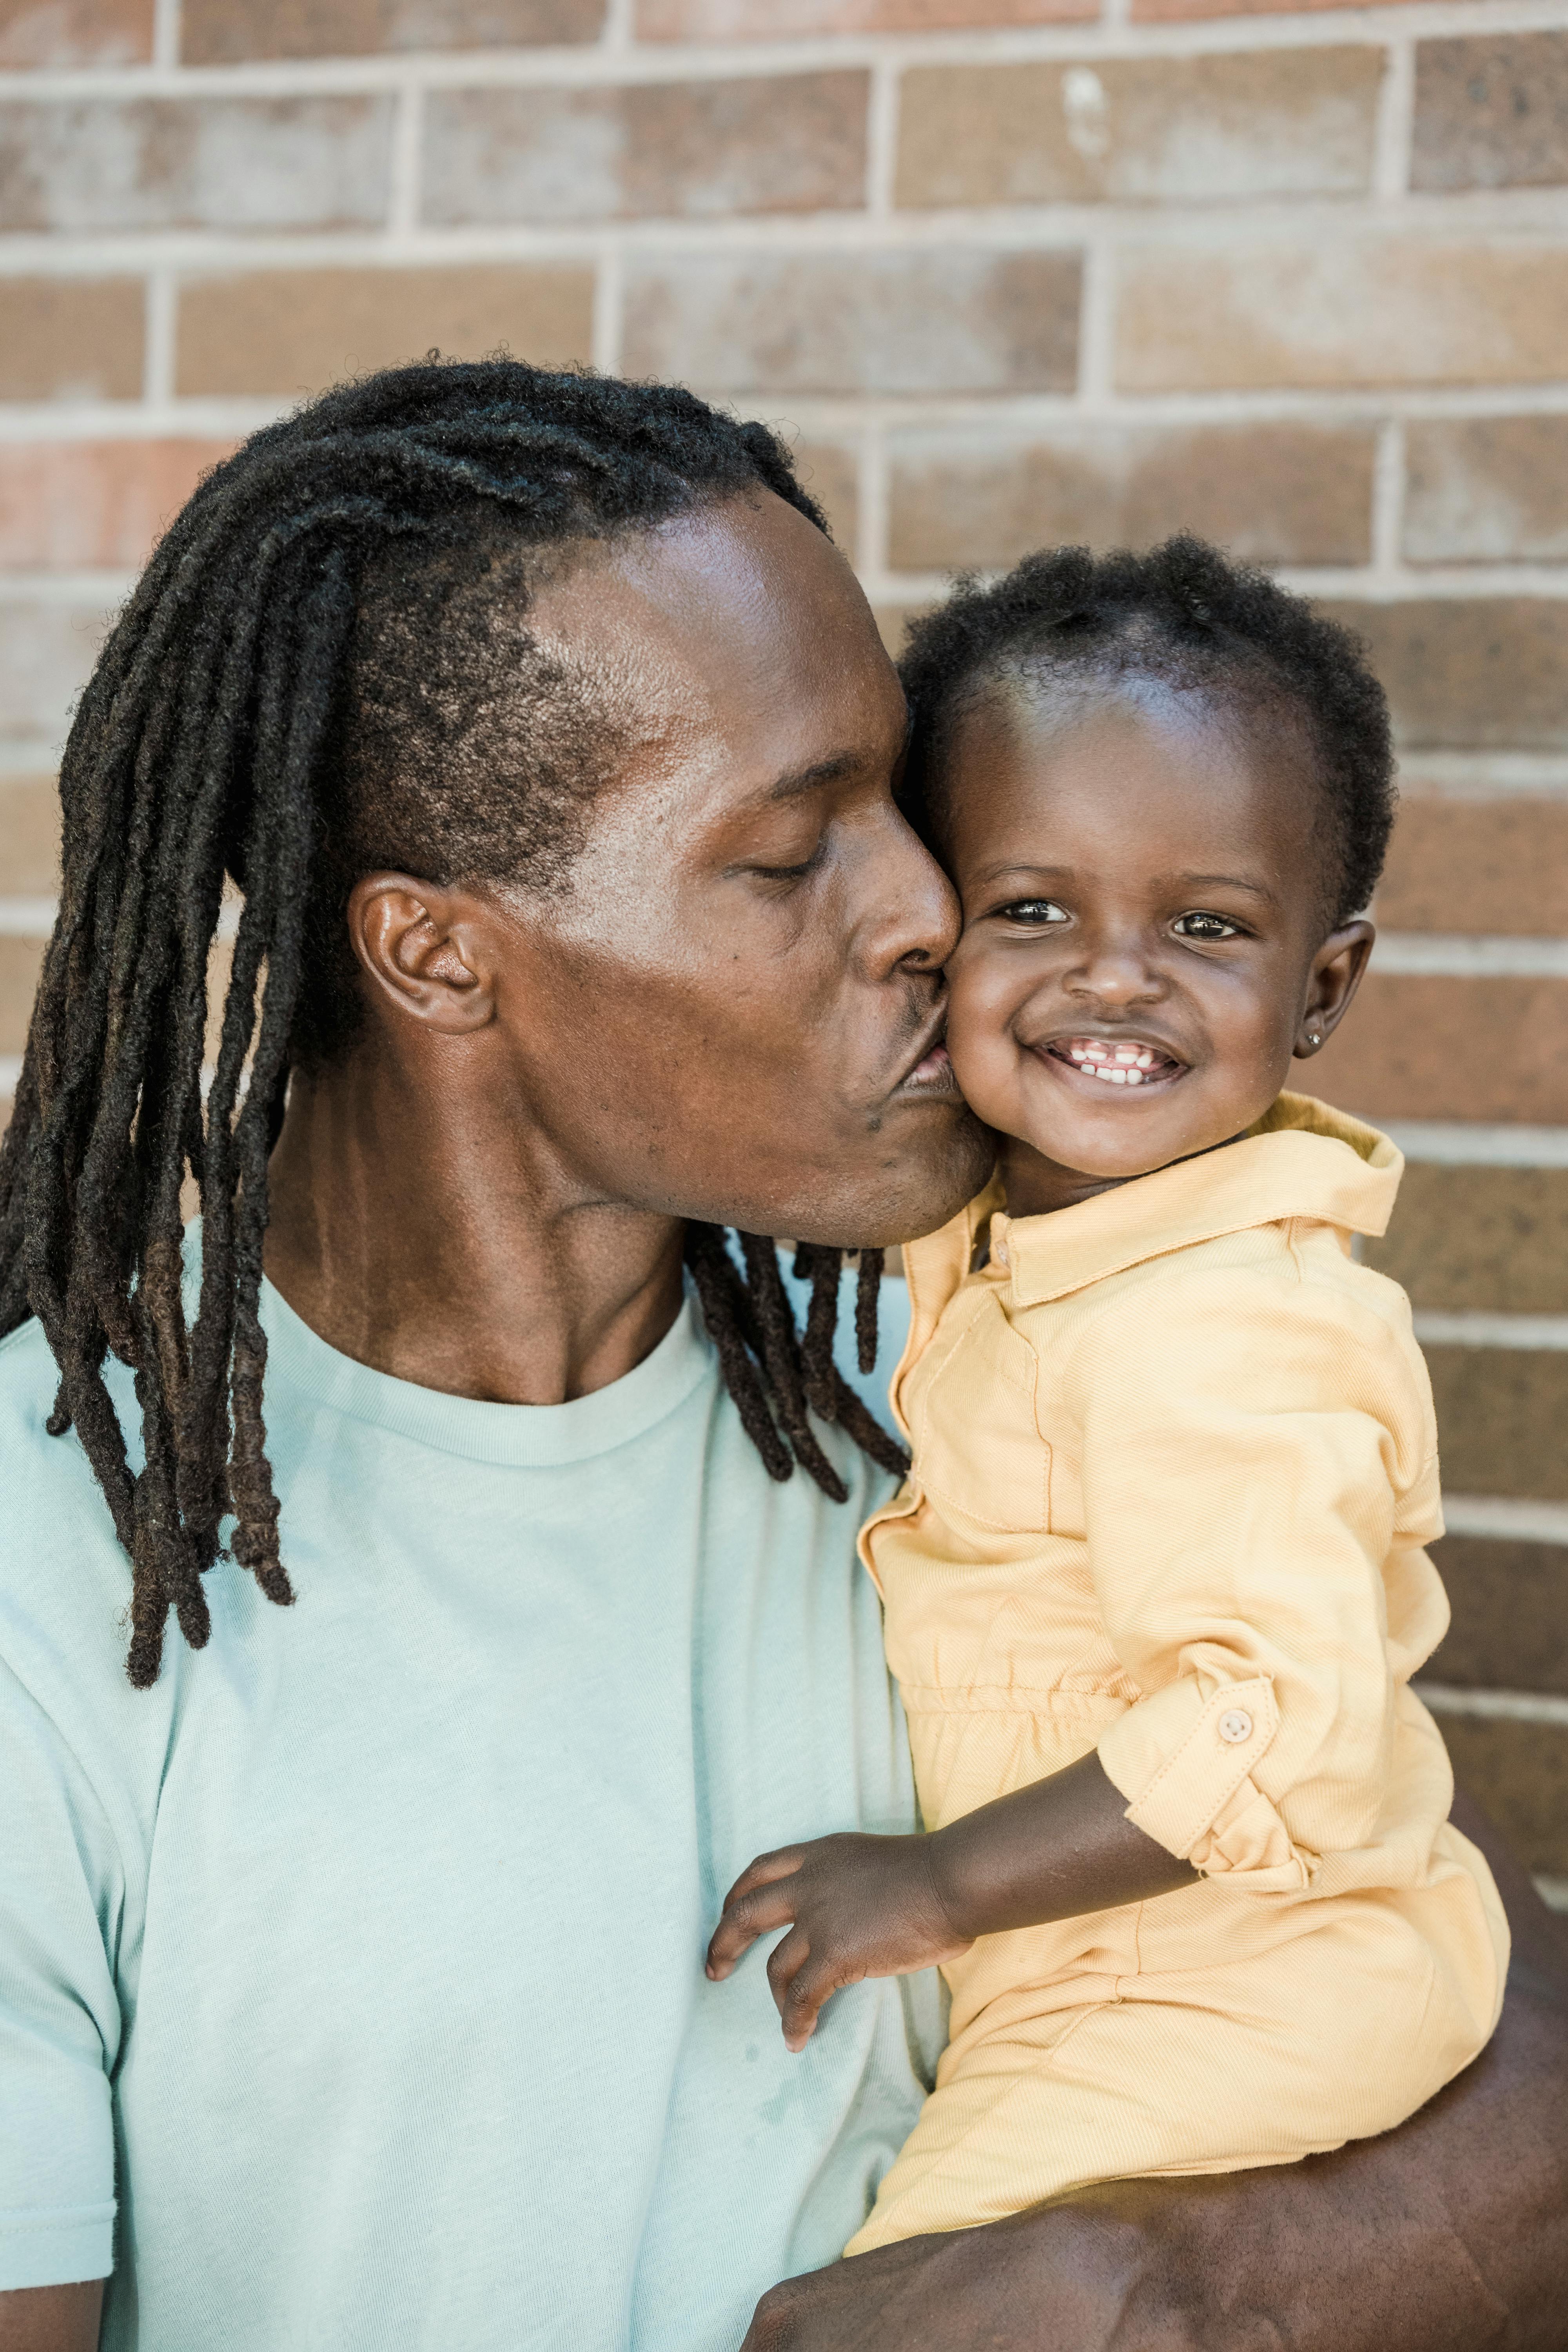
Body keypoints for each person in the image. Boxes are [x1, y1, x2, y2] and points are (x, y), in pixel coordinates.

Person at [0, 365, 1562, 2352]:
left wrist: (1159, 2290)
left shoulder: (976, 1327)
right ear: (439, 952)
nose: (932, 909)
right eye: (788, 852)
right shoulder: (55, 1560)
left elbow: (1446, 1954)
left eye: (899, 808)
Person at [706, 541, 1506, 2253]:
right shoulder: (1020, 1244)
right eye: (1032, 910)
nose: (1114, 977)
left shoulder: (1223, 1321)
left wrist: (932, 1886)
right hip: (1118, 1972)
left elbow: (1273, 1726)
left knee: (896, 2311)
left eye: (1204, 927)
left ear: (1323, 989)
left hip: (1217, 1980)